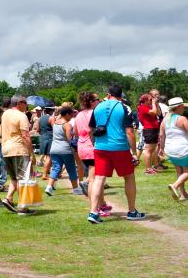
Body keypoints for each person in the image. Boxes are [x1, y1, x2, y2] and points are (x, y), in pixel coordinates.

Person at [86, 85, 146, 224]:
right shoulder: (125, 108)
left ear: (108, 94)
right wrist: (134, 153)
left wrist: (95, 143)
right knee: (129, 177)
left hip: (100, 148)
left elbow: (90, 130)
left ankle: (94, 212)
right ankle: (132, 211)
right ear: (121, 95)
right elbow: (130, 132)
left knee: (99, 179)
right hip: (119, 147)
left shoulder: (98, 107)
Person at [0, 96, 32, 213]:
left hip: (6, 150)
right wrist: (31, 152)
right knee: (23, 179)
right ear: (19, 103)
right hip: (19, 149)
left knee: (14, 178)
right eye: (25, 103)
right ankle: (23, 207)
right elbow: (25, 136)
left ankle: (8, 198)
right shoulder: (22, 116)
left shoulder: (5, 115)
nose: (27, 105)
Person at [161, 97, 188, 200]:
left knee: (179, 171)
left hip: (170, 149)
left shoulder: (165, 119)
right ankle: (175, 186)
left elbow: (161, 135)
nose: (184, 108)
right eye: (183, 106)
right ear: (178, 107)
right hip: (181, 149)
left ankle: (183, 194)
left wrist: (161, 148)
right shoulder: (182, 119)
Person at [46, 106, 80, 196]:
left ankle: (49, 187)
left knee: (56, 168)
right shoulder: (67, 125)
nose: (72, 116)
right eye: (71, 114)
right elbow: (69, 139)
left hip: (54, 149)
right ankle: (76, 189)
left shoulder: (55, 123)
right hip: (65, 150)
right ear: (67, 114)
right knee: (71, 169)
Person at [137, 93, 162, 174]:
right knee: (148, 150)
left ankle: (151, 167)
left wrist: (156, 104)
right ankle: (148, 169)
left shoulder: (149, 107)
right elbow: (154, 112)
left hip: (153, 129)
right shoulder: (142, 107)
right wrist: (154, 104)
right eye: (150, 99)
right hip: (149, 130)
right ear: (145, 100)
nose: (152, 101)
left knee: (152, 149)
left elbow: (158, 113)